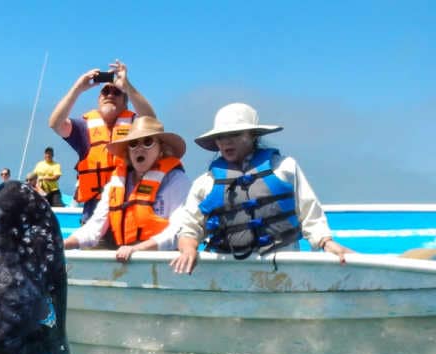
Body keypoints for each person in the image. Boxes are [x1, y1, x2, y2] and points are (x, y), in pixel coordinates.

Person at [170, 103, 351, 274]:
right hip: (229, 270)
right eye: (220, 137)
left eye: (234, 134)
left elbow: (309, 212)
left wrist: (326, 243)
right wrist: (188, 249)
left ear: (253, 136)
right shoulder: (205, 183)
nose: (226, 142)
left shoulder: (284, 168)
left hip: (282, 266)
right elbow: (189, 228)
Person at [63, 116, 190, 260]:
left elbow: (179, 230)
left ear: (161, 148)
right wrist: (64, 243)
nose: (139, 149)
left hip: (164, 259)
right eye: (133, 144)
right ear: (128, 152)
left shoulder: (176, 180)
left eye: (147, 142)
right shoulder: (116, 183)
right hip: (127, 256)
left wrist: (138, 249)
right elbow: (95, 227)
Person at [48, 60, 156, 222]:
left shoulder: (135, 125)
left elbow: (151, 122)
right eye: (105, 92)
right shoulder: (83, 128)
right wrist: (78, 88)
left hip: (130, 213)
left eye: (117, 92)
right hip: (94, 215)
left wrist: (127, 86)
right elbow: (55, 123)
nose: (110, 95)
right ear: (99, 99)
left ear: (125, 102)